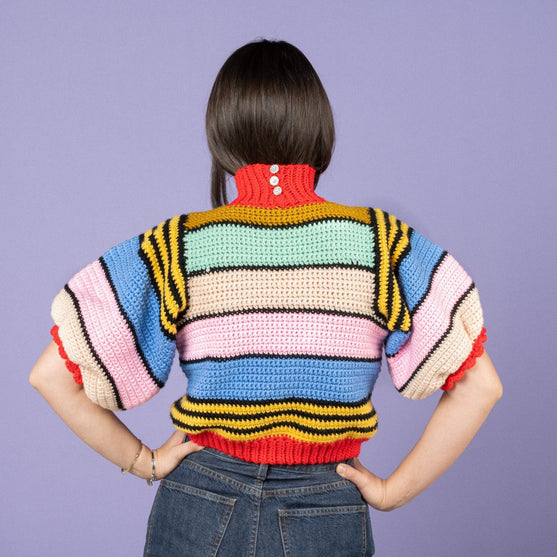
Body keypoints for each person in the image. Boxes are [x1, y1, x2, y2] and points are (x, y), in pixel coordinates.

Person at [29, 39, 503, 556]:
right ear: (318, 126)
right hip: (328, 508)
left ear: (222, 131)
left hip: (198, 503)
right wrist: (393, 493)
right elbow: (480, 387)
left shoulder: (178, 246)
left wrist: (145, 461)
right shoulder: (381, 244)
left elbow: (50, 375)